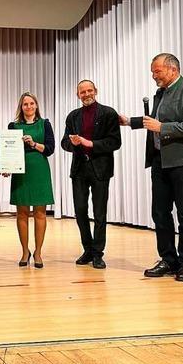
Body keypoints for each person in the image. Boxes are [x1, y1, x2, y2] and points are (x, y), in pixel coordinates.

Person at [119, 53, 183, 282]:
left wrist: (163, 127)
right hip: (160, 160)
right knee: (160, 212)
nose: (153, 75)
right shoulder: (161, 93)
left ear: (173, 69)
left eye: (157, 71)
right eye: (152, 71)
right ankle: (168, 259)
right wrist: (129, 121)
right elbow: (154, 120)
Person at [61, 80, 121, 269]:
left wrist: (91, 144)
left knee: (99, 213)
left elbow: (115, 142)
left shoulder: (109, 113)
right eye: (82, 92)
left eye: (89, 90)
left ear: (96, 91)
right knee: (80, 211)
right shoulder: (72, 116)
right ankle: (87, 249)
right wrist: (74, 143)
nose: (86, 94)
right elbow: (64, 142)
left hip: (100, 170)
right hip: (79, 170)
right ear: (77, 94)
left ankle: (98, 253)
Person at [9, 92, 55, 269]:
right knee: (21, 212)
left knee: (40, 212)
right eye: (25, 104)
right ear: (21, 107)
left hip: (39, 169)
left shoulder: (45, 124)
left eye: (31, 103)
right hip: (20, 171)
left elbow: (50, 149)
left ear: (36, 106)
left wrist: (34, 144)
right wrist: (6, 166)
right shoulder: (13, 126)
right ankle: (24, 251)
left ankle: (38, 252)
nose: (28, 107)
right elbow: (8, 151)